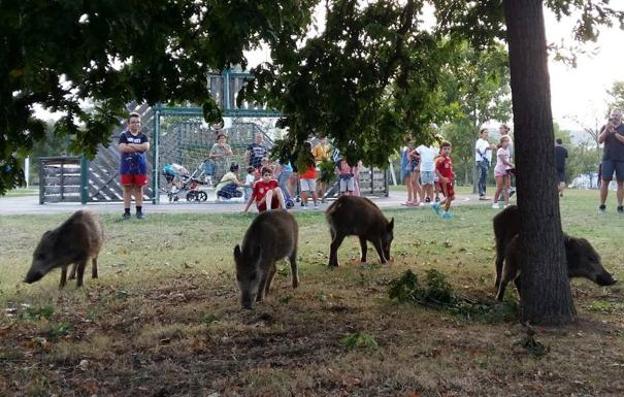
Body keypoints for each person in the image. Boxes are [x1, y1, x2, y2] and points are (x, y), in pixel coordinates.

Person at [118, 112, 150, 220]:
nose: (135, 124)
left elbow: (145, 147)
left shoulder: (143, 136)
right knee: (127, 189)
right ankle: (127, 213)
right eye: (133, 122)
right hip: (126, 167)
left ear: (140, 124)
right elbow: (122, 148)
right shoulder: (124, 135)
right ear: (128, 124)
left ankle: (139, 212)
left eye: (137, 122)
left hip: (140, 167)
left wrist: (130, 145)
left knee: (139, 189)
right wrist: (138, 147)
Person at [597, 109, 624, 213]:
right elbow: (599, 140)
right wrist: (607, 130)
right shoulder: (605, 127)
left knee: (621, 183)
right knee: (605, 182)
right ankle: (602, 205)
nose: (615, 117)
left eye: (617, 115)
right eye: (613, 115)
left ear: (621, 116)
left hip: (622, 159)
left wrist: (615, 134)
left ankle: (620, 206)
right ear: (610, 116)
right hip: (608, 158)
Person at [432, 142, 455, 219]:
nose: (447, 151)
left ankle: (437, 205)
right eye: (445, 149)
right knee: (449, 197)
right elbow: (435, 170)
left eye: (448, 149)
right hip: (444, 182)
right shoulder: (440, 159)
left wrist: (452, 174)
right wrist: (442, 178)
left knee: (452, 197)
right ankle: (445, 214)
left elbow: (448, 169)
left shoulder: (448, 159)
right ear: (441, 150)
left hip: (448, 181)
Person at [492, 136, 514, 209]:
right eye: (505, 141)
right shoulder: (500, 150)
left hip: (506, 171)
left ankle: (506, 204)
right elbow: (504, 161)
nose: (507, 143)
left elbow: (508, 160)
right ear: (501, 143)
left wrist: (510, 168)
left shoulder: (508, 150)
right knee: (500, 188)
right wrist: (511, 165)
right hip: (499, 171)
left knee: (507, 188)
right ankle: (495, 202)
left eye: (508, 141)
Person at [299, 142, 319, 208]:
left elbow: (299, 166)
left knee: (304, 191)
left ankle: (305, 205)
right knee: (313, 190)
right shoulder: (311, 156)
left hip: (303, 175)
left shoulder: (301, 156)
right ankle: (316, 204)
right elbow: (314, 166)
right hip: (311, 175)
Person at [475, 128, 494, 200]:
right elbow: (477, 149)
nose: (486, 134)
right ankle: (481, 194)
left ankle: (483, 194)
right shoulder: (479, 141)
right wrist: (482, 155)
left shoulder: (486, 142)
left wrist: (491, 148)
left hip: (486, 161)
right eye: (485, 132)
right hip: (481, 160)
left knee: (484, 177)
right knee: (483, 176)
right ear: (481, 134)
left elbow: (487, 149)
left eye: (487, 132)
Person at [312, 137, 331, 201]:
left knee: (324, 181)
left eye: (325, 139)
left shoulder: (327, 147)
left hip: (326, 164)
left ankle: (323, 197)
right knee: (318, 181)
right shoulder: (316, 147)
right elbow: (313, 157)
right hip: (318, 163)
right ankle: (316, 197)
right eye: (322, 139)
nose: (324, 140)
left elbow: (329, 156)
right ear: (320, 140)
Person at [500, 123, 515, 197]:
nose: (500, 129)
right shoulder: (507, 137)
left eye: (501, 128)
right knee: (506, 175)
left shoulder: (505, 137)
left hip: (506, 158)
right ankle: (506, 192)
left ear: (506, 129)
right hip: (508, 158)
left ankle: (509, 189)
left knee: (505, 175)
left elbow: (502, 147)